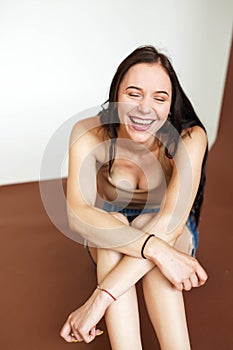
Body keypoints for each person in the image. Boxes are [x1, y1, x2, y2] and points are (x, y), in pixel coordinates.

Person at [60, 45, 208, 350]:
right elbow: (77, 214)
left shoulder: (190, 137)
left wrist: (98, 302)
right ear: (116, 95)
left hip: (173, 230)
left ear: (170, 105)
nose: (145, 108)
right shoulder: (89, 133)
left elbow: (170, 223)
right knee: (116, 223)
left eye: (159, 98)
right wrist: (155, 250)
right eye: (134, 93)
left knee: (153, 231)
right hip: (109, 231)